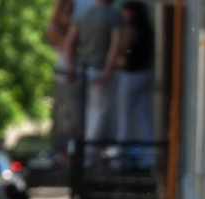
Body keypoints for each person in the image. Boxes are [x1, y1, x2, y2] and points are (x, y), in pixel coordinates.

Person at [64, 0, 122, 162]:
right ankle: (88, 155)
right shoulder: (113, 15)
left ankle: (85, 153)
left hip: (84, 68)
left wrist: (71, 69)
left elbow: (69, 43)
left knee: (88, 112)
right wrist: (107, 70)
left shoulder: (83, 15)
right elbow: (115, 45)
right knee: (99, 111)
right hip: (99, 70)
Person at [114, 1, 154, 171]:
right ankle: (148, 157)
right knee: (142, 114)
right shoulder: (147, 29)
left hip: (130, 74)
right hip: (143, 74)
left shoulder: (131, 29)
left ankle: (121, 157)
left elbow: (122, 55)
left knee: (125, 116)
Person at [46, 0, 76, 162]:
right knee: (64, 115)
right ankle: (61, 151)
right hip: (64, 74)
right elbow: (67, 46)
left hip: (70, 71)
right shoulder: (53, 27)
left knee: (72, 115)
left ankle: (68, 150)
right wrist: (72, 28)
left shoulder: (66, 27)